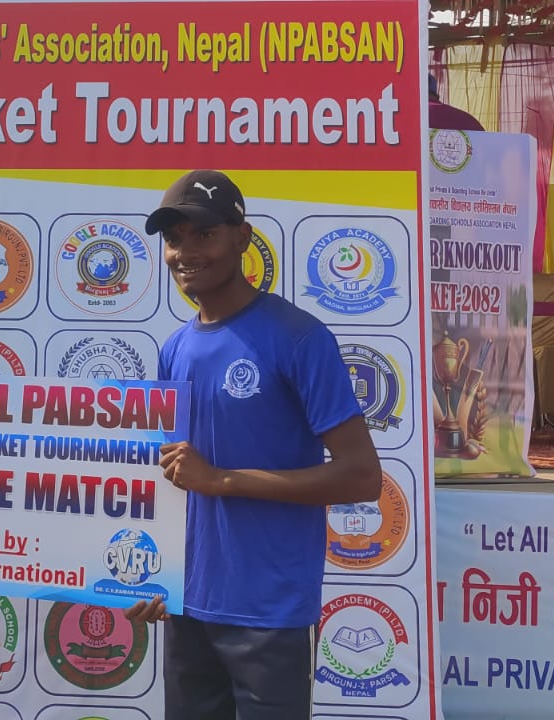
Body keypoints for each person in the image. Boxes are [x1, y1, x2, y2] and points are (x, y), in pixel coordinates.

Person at [126, 170, 383, 720]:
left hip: (269, 613)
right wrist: (149, 573)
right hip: (187, 606)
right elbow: (169, 478)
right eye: (174, 239)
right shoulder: (173, 349)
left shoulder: (298, 337)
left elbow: (362, 476)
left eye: (204, 234)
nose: (185, 253)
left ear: (242, 237)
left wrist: (222, 479)